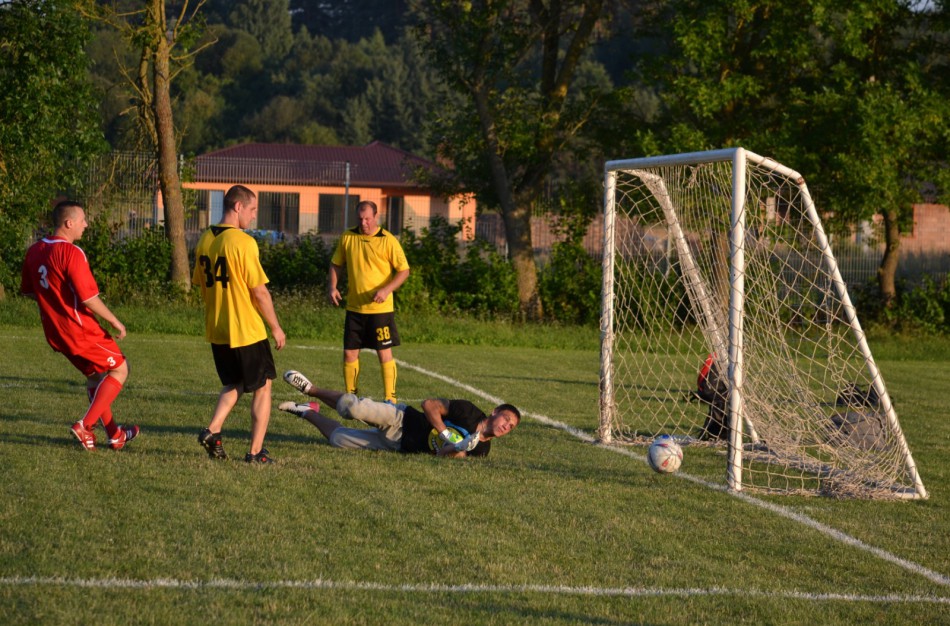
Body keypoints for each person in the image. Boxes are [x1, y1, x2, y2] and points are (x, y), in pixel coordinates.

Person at [20, 200, 139, 451]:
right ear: (68, 223)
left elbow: (31, 292)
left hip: (55, 332)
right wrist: (114, 320)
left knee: (95, 376)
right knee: (120, 369)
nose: (86, 224)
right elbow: (88, 298)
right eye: (83, 219)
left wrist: (55, 304)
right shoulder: (72, 253)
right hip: (80, 329)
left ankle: (115, 434)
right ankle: (84, 425)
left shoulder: (34, 250)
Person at [193, 185, 286, 464]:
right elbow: (259, 292)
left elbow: (201, 285)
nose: (254, 216)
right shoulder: (243, 242)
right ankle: (256, 452)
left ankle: (212, 430)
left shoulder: (205, 239)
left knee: (235, 383)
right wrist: (276, 327)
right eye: (253, 209)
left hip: (218, 328)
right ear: (238, 207)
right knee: (263, 385)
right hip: (245, 328)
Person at [280, 369, 520, 457]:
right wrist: (444, 432)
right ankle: (312, 390)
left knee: (338, 439)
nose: (506, 426)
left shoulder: (483, 449)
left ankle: (306, 412)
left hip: (399, 446)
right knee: (353, 408)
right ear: (495, 411)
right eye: (506, 419)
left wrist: (458, 448)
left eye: (511, 427)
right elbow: (429, 405)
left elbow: (442, 456)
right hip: (402, 419)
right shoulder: (468, 412)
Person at [327, 200, 410, 403]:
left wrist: (386, 289)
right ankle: (351, 397)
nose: (364, 223)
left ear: (376, 217)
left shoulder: (387, 240)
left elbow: (404, 271)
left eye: (368, 219)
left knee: (383, 353)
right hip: (355, 308)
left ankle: (390, 399)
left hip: (380, 310)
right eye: (360, 219)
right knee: (349, 354)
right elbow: (336, 264)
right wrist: (332, 287)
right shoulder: (348, 236)